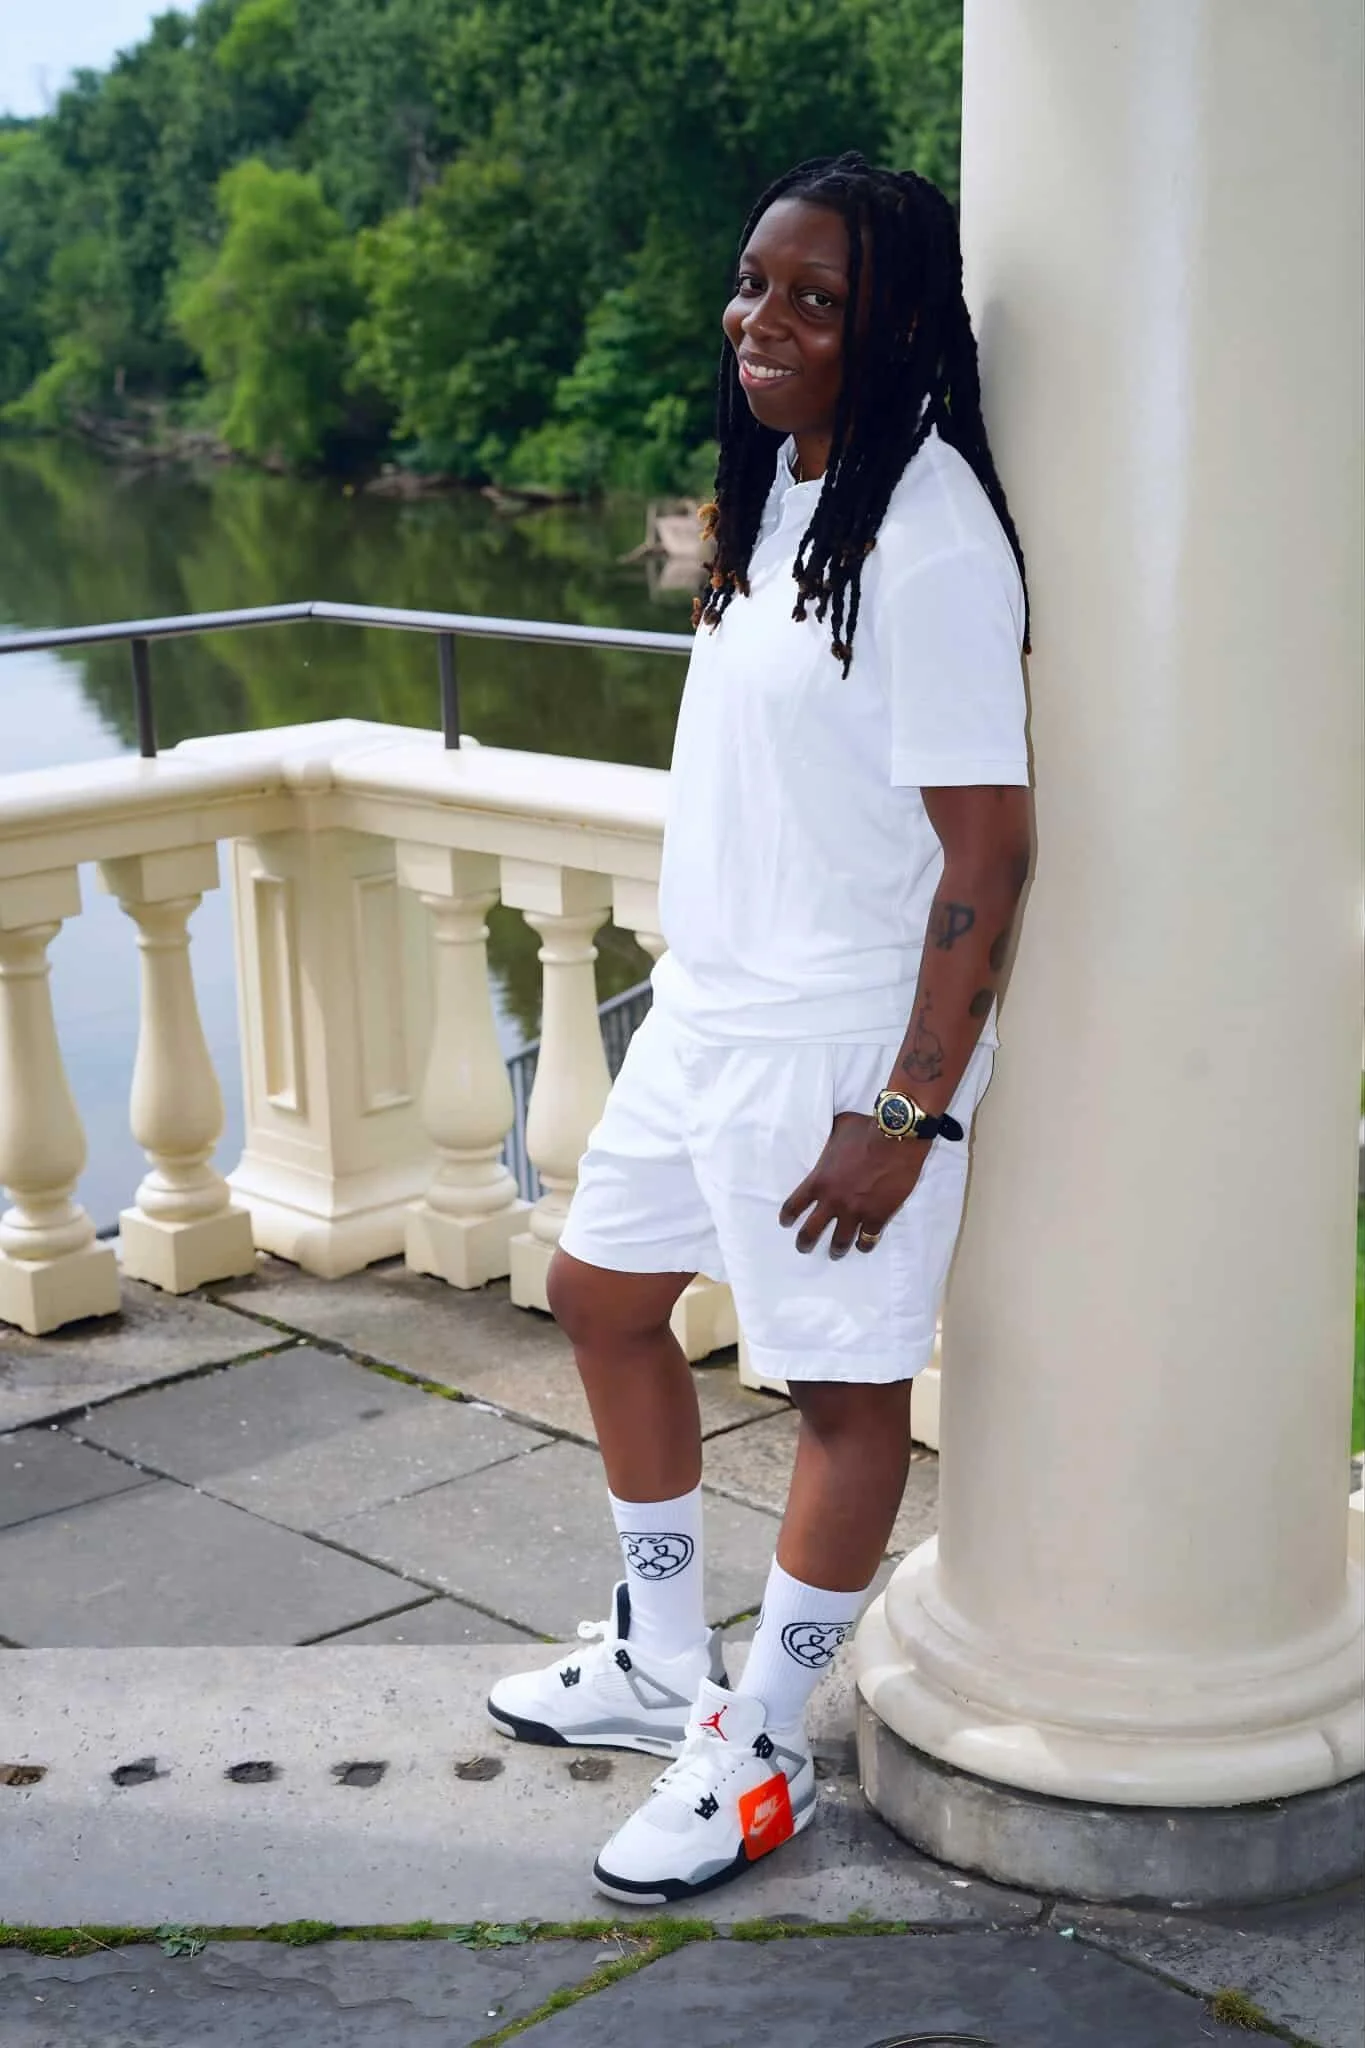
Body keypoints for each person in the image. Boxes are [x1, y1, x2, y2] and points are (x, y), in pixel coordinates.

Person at [488, 151, 1033, 1905]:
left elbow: (990, 850)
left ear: (897, 329)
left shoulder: (930, 535)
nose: (763, 320)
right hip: (707, 1013)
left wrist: (910, 1108)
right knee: (601, 1296)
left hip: (836, 1049)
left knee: (846, 1400)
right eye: (755, 283)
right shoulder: (784, 488)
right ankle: (664, 1660)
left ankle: (765, 1746)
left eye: (817, 298)